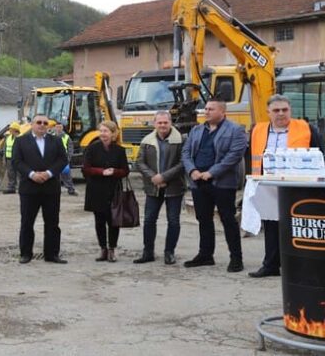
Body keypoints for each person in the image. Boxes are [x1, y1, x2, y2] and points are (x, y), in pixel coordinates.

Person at [247, 95, 324, 278]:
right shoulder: (258, 130)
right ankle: (271, 265)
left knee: (295, 226)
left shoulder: (306, 128)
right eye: (276, 110)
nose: (281, 114)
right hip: (267, 185)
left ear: (290, 111)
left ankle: (298, 266)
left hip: (298, 187)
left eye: (284, 110)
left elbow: (319, 155)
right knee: (271, 225)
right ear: (268, 113)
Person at [181, 98, 246, 273]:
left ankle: (236, 258)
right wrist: (192, 171)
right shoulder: (197, 130)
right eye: (206, 109)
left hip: (222, 183)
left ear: (222, 112)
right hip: (198, 182)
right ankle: (205, 255)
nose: (206, 111)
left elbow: (234, 155)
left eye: (211, 109)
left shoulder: (235, 130)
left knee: (228, 220)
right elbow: (186, 152)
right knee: (203, 219)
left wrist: (212, 172)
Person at [12, 114, 69, 264]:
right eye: (39, 122)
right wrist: (31, 174)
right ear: (32, 124)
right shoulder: (21, 141)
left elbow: (63, 160)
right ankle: (25, 254)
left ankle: (52, 254)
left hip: (51, 188)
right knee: (27, 222)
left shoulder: (56, 141)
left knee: (52, 223)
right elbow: (16, 162)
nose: (42, 125)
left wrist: (49, 173)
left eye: (45, 123)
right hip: (29, 188)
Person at [133, 111, 185, 265]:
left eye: (165, 122)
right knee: (149, 220)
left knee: (173, 221)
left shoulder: (180, 140)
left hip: (174, 187)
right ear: (155, 124)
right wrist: (153, 177)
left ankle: (169, 252)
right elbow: (139, 162)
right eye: (159, 122)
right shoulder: (147, 141)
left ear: (170, 123)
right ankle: (148, 252)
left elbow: (183, 163)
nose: (162, 125)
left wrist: (164, 177)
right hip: (153, 187)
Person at [82, 120, 129, 262]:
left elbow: (125, 170)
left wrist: (114, 171)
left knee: (114, 221)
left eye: (106, 131)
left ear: (113, 133)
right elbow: (85, 169)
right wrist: (101, 172)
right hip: (96, 189)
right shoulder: (92, 148)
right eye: (101, 131)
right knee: (99, 221)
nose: (103, 134)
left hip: (114, 190)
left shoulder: (119, 150)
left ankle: (112, 249)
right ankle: (103, 248)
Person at [54, 122, 78, 195]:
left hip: (63, 159)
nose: (58, 129)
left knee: (66, 175)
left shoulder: (66, 137)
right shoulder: (52, 136)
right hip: (54, 159)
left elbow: (70, 148)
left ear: (62, 128)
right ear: (55, 128)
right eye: (57, 127)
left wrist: (68, 158)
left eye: (60, 127)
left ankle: (71, 189)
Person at [0, 122, 20, 194]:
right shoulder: (8, 138)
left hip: (18, 159)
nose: (10, 130)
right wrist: (4, 159)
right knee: (10, 174)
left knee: (19, 174)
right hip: (9, 159)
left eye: (11, 129)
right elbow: (5, 149)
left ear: (15, 129)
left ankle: (21, 187)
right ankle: (11, 187)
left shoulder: (20, 138)